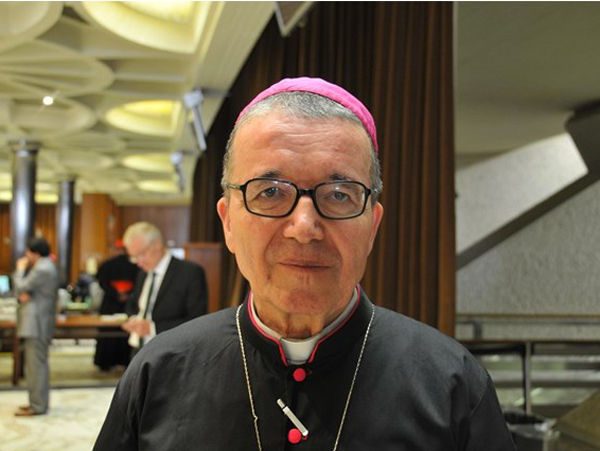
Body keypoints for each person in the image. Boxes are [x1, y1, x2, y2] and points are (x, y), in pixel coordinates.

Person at [94, 78, 516, 450]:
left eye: (339, 195)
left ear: (372, 226)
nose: (304, 227)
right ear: (228, 222)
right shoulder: (158, 372)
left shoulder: (452, 384)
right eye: (270, 192)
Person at [121, 222, 208, 349]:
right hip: (139, 349)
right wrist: (133, 320)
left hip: (172, 351)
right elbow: (133, 305)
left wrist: (152, 328)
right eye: (133, 257)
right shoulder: (143, 273)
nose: (138, 262)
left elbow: (197, 321)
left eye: (141, 254)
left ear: (157, 245)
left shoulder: (189, 272)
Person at [12, 237, 61, 416]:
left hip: (37, 324)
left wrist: (19, 270)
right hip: (38, 322)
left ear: (36, 253)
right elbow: (24, 292)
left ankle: (38, 406)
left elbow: (21, 287)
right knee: (34, 366)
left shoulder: (42, 268)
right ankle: (35, 402)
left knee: (36, 366)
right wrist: (25, 293)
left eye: (28, 252)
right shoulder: (45, 266)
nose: (26, 255)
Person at [93, 239, 139, 371]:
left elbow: (102, 283)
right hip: (121, 302)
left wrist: (117, 294)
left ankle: (110, 362)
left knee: (117, 332)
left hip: (115, 301)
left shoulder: (108, 264)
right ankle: (118, 362)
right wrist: (125, 294)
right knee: (116, 332)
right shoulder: (130, 265)